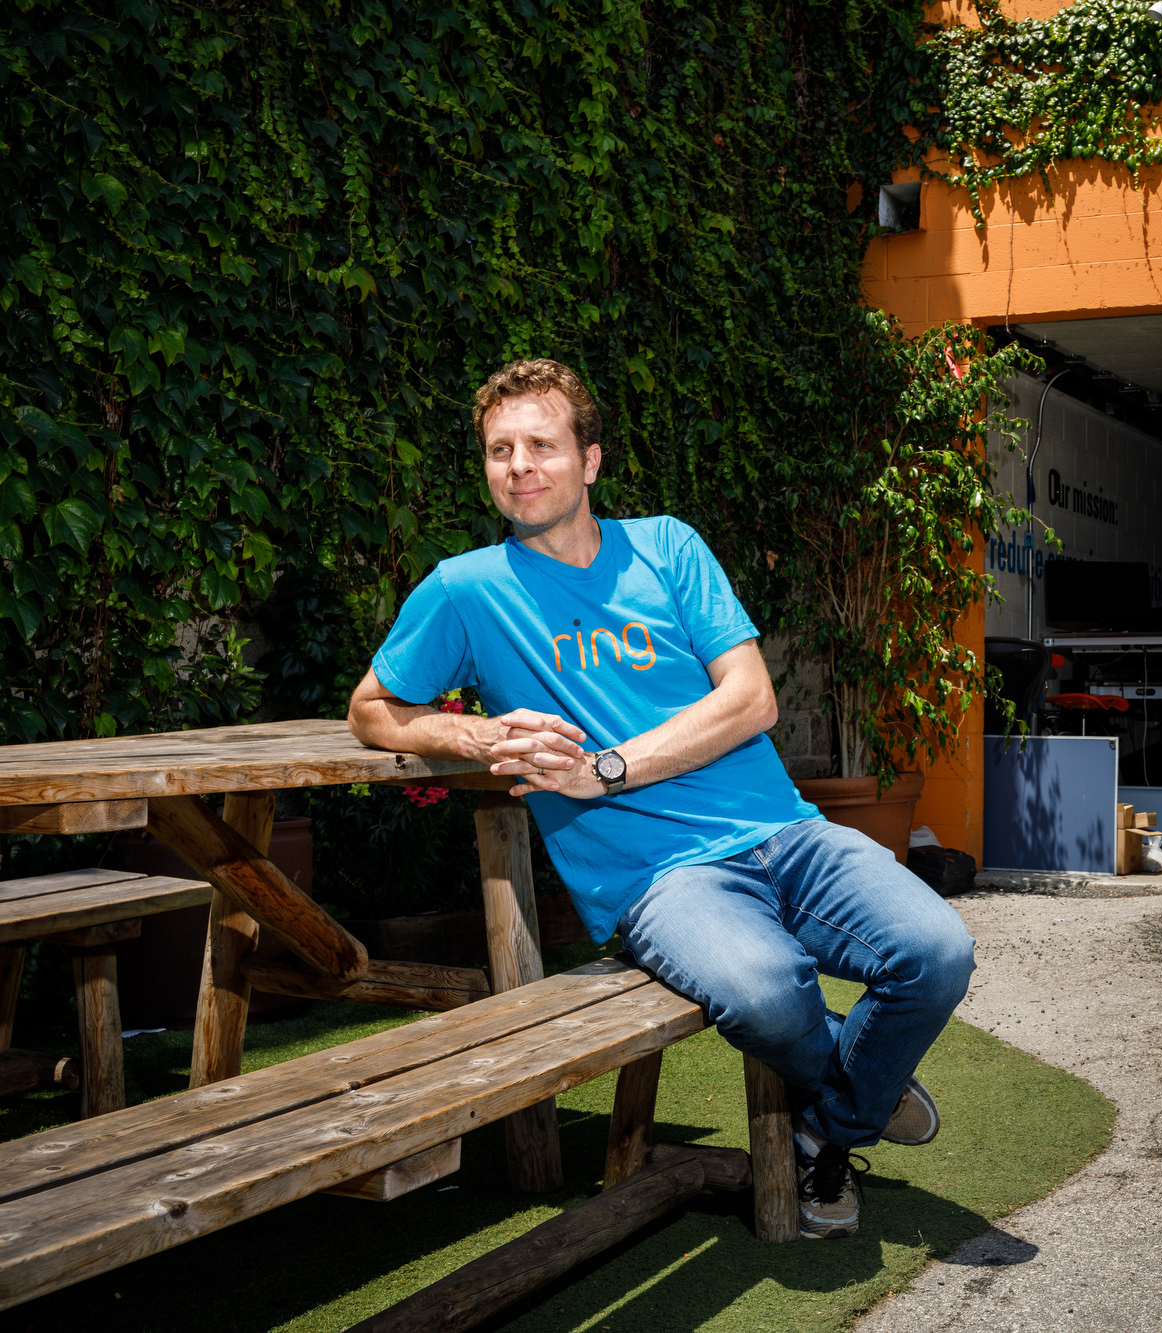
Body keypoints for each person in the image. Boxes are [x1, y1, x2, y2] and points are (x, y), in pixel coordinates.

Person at [346, 358, 975, 1239]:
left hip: (784, 831)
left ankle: (826, 1125)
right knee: (765, 992)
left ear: (591, 460)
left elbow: (751, 697)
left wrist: (605, 768)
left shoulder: (669, 546)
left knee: (937, 950)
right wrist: (473, 733)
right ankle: (848, 1096)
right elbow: (370, 709)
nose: (519, 465)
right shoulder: (465, 588)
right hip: (657, 878)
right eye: (499, 450)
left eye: (541, 444)